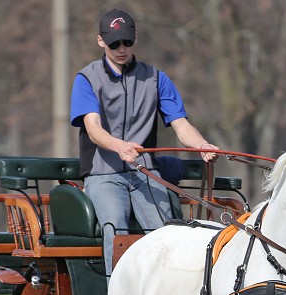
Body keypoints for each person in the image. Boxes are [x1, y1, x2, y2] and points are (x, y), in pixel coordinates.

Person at [70, 8, 219, 278]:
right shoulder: (87, 79)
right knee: (116, 229)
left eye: (127, 41)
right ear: (100, 41)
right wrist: (119, 146)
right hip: (104, 174)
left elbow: (181, 125)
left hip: (144, 172)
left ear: (135, 38)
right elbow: (93, 129)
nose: (121, 48)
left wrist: (202, 145)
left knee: (166, 231)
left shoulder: (156, 79)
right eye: (114, 43)